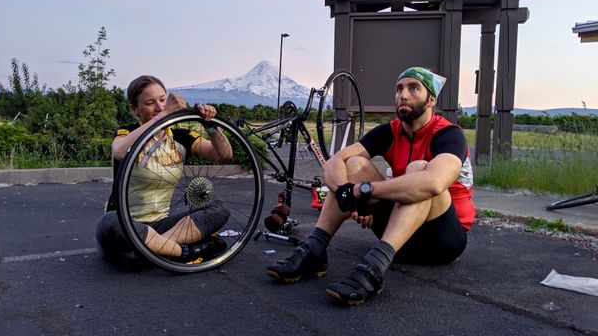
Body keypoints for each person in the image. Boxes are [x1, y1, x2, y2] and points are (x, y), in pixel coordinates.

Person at [266, 67, 475, 306]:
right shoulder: (390, 131)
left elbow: (434, 183)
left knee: (419, 171)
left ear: (431, 100)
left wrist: (363, 191)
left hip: (441, 240)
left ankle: (374, 268)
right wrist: (346, 191)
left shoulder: (449, 134)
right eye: (399, 89)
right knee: (352, 164)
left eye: (413, 88)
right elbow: (334, 162)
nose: (403, 95)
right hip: (399, 233)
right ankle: (315, 249)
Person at [96, 75, 234, 271]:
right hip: (128, 225)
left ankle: (152, 252)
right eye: (150, 103)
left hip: (162, 226)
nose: (159, 107)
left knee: (220, 208)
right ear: (134, 109)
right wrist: (165, 114)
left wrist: (210, 125)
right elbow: (119, 152)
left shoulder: (180, 136)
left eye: (163, 100)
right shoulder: (127, 132)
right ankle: (186, 252)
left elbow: (224, 154)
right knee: (110, 222)